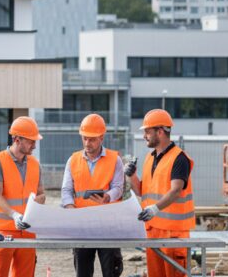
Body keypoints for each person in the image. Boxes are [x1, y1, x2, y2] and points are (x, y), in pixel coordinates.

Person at [127, 109, 194, 277]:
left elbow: (176, 190)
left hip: (173, 234)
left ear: (160, 131)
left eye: (147, 132)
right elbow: (143, 191)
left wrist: (154, 209)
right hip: (153, 230)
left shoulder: (179, 158)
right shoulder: (150, 158)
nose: (144, 136)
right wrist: (132, 176)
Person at [62, 114, 124, 277]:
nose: (87, 143)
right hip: (82, 227)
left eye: (92, 139)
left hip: (109, 226)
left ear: (101, 138)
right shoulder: (73, 160)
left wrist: (108, 197)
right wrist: (70, 208)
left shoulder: (115, 160)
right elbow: (66, 190)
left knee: (111, 272)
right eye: (85, 138)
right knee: (83, 273)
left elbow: (118, 187)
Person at [0, 116, 45, 277]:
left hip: (27, 231)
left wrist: (38, 202)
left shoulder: (35, 164)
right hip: (2, 232)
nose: (34, 145)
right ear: (17, 140)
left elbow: (41, 193)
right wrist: (14, 215)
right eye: (31, 141)